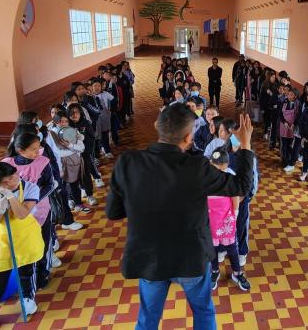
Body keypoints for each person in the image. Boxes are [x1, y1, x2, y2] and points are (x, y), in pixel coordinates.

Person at [106, 107, 255, 330]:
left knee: (147, 319)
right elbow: (242, 186)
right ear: (188, 138)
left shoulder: (128, 162)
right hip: (191, 258)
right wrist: (245, 145)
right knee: (203, 311)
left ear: (157, 126)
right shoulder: (197, 167)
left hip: (150, 258)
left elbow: (113, 212)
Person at [0, 162, 43, 330]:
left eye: (12, 177)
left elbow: (22, 214)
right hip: (3, 242)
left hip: (26, 238)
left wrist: (11, 197)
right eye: (5, 182)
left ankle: (28, 299)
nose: (11, 183)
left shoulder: (30, 188)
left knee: (26, 273)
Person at [3, 131, 55, 289]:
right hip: (17, 212)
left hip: (41, 210)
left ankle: (42, 273)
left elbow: (49, 184)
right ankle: (26, 277)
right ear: (20, 150)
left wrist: (34, 200)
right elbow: (0, 185)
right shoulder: (7, 164)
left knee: (43, 242)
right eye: (33, 149)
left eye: (39, 147)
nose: (38, 152)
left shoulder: (43, 162)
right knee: (24, 244)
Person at [206, 149, 250, 291]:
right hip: (210, 218)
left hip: (227, 219)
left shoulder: (230, 176)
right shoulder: (204, 176)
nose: (217, 170)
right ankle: (214, 271)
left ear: (226, 165)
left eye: (220, 166)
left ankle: (237, 273)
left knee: (232, 247)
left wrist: (235, 213)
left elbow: (235, 196)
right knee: (211, 247)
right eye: (214, 165)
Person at [279, 88, 301, 173]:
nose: (289, 96)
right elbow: (280, 113)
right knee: (283, 144)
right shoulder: (284, 102)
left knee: (290, 144)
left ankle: (289, 160)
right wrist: (284, 122)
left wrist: (294, 124)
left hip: (292, 127)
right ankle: (284, 159)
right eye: (288, 94)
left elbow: (298, 115)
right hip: (284, 126)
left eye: (291, 95)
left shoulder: (298, 104)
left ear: (295, 96)